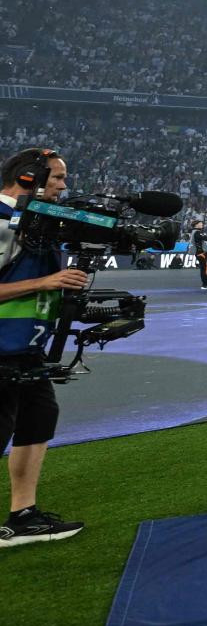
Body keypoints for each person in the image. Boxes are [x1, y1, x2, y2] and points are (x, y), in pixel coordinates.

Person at [0, 147, 90, 547]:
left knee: (37, 422)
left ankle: (23, 516)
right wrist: (46, 283)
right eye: (57, 177)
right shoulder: (2, 222)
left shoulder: (36, 223)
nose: (63, 186)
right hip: (2, 349)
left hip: (25, 349)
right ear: (27, 179)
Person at [189, 221, 207, 289]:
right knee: (205, 268)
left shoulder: (196, 232)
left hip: (201, 252)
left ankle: (206, 283)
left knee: (205, 268)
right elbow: (203, 238)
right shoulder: (197, 232)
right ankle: (204, 284)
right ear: (196, 225)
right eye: (200, 223)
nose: (202, 224)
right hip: (201, 253)